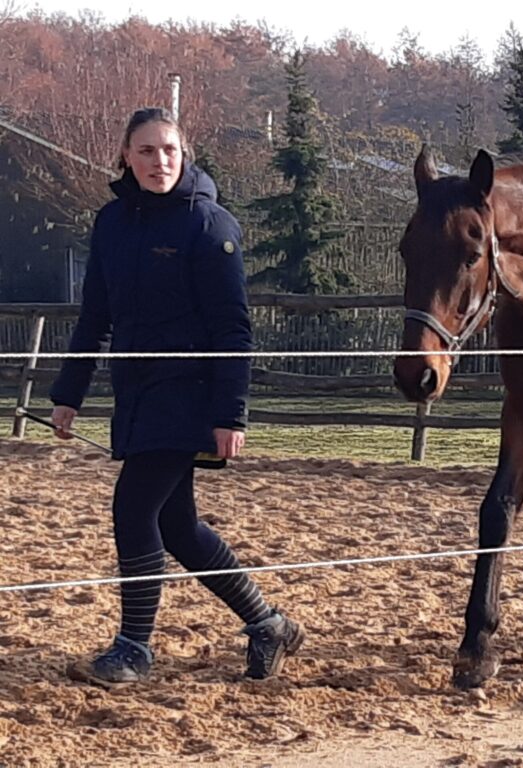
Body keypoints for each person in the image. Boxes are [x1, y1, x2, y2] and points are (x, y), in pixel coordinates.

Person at [49, 107, 303, 687]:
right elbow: (95, 316)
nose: (159, 161)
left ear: (183, 153)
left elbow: (232, 329)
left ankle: (134, 647)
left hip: (188, 393)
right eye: (146, 151)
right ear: (125, 157)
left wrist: (230, 412)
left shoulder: (210, 226)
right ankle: (268, 623)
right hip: (136, 392)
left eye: (169, 149)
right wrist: (68, 393)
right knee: (178, 527)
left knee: (134, 509)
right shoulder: (111, 223)